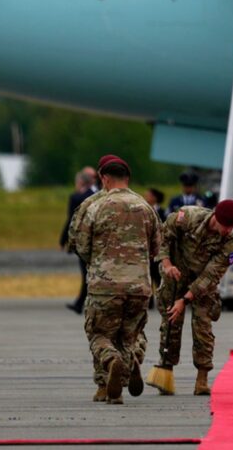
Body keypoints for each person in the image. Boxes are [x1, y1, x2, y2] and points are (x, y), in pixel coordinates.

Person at [74, 155, 162, 405]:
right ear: (128, 178)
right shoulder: (146, 207)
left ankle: (112, 362)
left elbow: (82, 245)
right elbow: (158, 246)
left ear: (104, 178)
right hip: (140, 287)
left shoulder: (95, 206)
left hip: (105, 284)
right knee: (131, 335)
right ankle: (116, 379)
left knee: (99, 334)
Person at [155, 199, 233, 396]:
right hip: (175, 276)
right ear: (216, 218)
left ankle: (202, 380)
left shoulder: (229, 245)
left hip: (203, 287)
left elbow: (209, 277)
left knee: (203, 328)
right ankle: (165, 373)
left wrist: (185, 300)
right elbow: (164, 237)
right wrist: (167, 264)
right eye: (226, 226)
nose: (229, 231)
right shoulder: (187, 218)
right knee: (171, 324)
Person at [61, 169, 96, 314]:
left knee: (86, 273)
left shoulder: (76, 197)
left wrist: (63, 239)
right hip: (98, 240)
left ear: (81, 182)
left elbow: (71, 220)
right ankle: (81, 303)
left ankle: (81, 303)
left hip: (83, 241)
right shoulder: (97, 195)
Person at [144, 188, 167, 309]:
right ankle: (149, 300)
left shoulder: (162, 212)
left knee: (158, 275)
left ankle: (162, 299)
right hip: (147, 249)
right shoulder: (144, 210)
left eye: (148, 195)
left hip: (158, 248)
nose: (145, 197)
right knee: (147, 276)